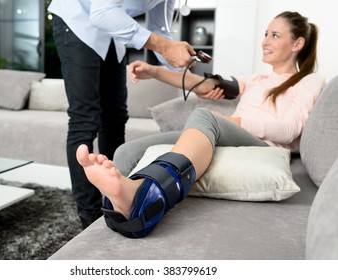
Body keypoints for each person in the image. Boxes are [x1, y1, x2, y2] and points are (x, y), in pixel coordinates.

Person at [76, 11, 326, 238]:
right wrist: (155, 71)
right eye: (265, 34)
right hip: (230, 134)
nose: (265, 41)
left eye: (275, 35)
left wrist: (234, 121)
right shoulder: (257, 79)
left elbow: (289, 129)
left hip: (262, 145)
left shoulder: (309, 81)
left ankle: (150, 193)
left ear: (298, 43)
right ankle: (121, 213)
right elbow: (206, 85)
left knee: (205, 116)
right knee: (126, 152)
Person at [47, 0, 196, 228]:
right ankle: (89, 216)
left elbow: (159, 30)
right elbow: (101, 12)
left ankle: (115, 200)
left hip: (112, 31)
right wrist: (165, 46)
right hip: (77, 21)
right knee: (85, 118)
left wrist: (181, 59)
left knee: (116, 117)